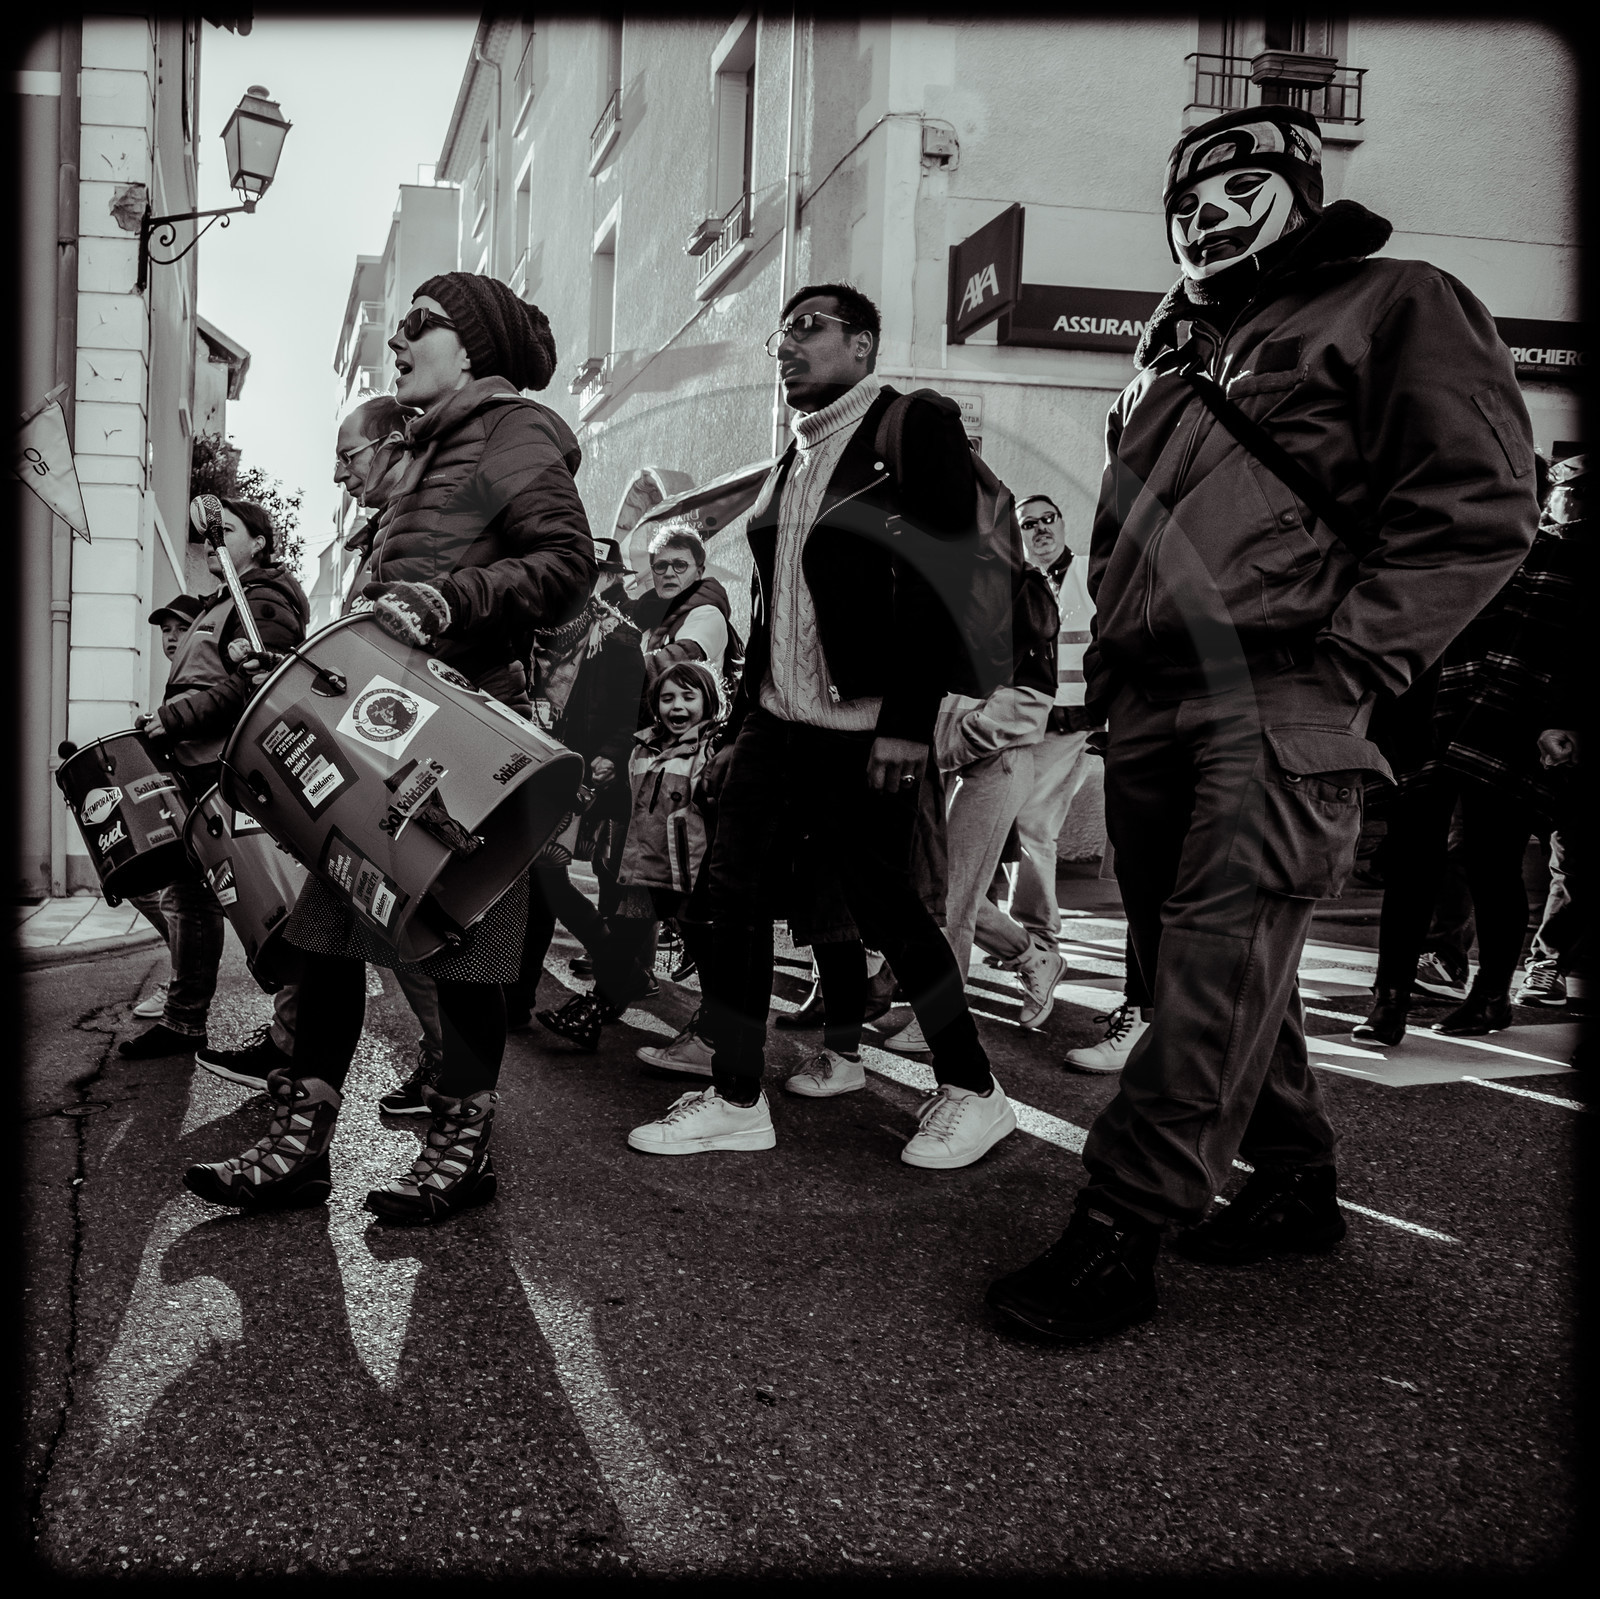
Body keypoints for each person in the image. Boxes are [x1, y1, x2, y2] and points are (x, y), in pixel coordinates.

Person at [987, 106, 1537, 1343]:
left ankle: (1121, 1224)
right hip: (1153, 695)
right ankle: (1293, 1177)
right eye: (1184, 202)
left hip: (1284, 686)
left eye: (1238, 189)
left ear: (1299, 188)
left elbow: (1481, 502)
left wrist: (1355, 658)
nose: (1206, 217)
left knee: (1213, 962)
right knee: (1212, 963)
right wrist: (1112, 668)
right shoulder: (1170, 346)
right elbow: (1123, 531)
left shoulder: (1396, 301)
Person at [183, 272, 595, 1222]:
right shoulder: (427, 448)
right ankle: (301, 1147)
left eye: (419, 323)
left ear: (473, 347)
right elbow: (393, 604)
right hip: (389, 730)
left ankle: (463, 1146)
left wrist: (449, 600)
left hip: (468, 738)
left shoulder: (514, 430)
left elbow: (566, 565)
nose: (398, 340)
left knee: (464, 951)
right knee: (325, 936)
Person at [627, 282, 1016, 1166]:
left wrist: (908, 721)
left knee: (888, 907)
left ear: (863, 344)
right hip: (777, 722)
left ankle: (972, 1086)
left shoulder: (911, 425)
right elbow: (773, 608)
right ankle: (736, 1094)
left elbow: (943, 576)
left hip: (867, 725)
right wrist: (740, 728)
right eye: (779, 335)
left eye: (809, 327)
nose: (787, 346)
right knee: (728, 897)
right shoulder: (794, 455)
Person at [1356, 458, 1583, 1042]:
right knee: (1413, 861)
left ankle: (1491, 997)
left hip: (1509, 722)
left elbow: (1572, 651)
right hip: (1430, 715)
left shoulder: (1558, 557)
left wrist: (1561, 719)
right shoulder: (1441, 551)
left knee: (1491, 863)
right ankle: (1388, 1001)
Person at [119, 502, 310, 1076]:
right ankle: (184, 1020)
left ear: (260, 541)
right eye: (206, 532)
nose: (210, 539)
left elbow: (261, 683)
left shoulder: (264, 600)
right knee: (188, 898)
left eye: (224, 530)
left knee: (266, 906)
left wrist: (177, 719)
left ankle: (294, 1042)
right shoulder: (221, 602)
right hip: (198, 774)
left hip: (232, 778)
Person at [324, 392, 450, 1116]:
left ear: (394, 443)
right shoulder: (387, 525)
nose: (341, 474)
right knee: (379, 918)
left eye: (349, 456)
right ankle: (440, 1066)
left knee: (410, 920)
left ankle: (454, 1082)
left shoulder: (429, 515)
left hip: (417, 744)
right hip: (388, 740)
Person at [879, 548, 1060, 1046]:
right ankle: (1033, 957)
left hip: (993, 761)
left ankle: (942, 1018)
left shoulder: (1019, 588)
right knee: (944, 890)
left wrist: (949, 741)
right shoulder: (934, 579)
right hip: (944, 763)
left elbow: (1031, 701)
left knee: (952, 895)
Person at [510, 536, 657, 1048]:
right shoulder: (527, 624)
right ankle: (615, 974)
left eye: (590, 572)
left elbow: (628, 712)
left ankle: (522, 999)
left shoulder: (617, 637)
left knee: (544, 879)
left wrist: (610, 756)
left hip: (573, 776)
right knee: (535, 881)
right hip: (522, 768)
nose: (576, 579)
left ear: (606, 579)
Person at [126, 594, 206, 1019]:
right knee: (147, 887)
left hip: (203, 805)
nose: (172, 637)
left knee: (185, 899)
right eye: (165, 630)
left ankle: (183, 995)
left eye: (182, 628)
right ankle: (183, 983)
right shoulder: (178, 677)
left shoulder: (202, 672)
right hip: (182, 801)